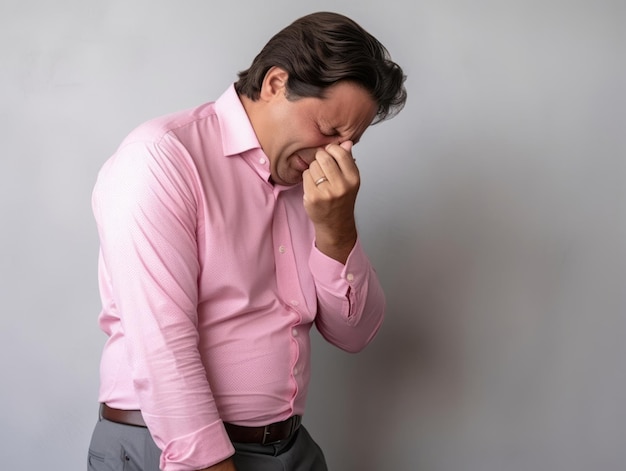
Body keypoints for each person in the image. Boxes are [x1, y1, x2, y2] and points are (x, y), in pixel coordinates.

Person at [87, 11, 406, 471]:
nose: (335, 154)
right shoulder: (161, 158)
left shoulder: (316, 191)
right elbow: (161, 346)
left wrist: (337, 229)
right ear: (276, 83)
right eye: (328, 130)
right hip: (169, 451)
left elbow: (354, 334)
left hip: (290, 450)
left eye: (351, 142)